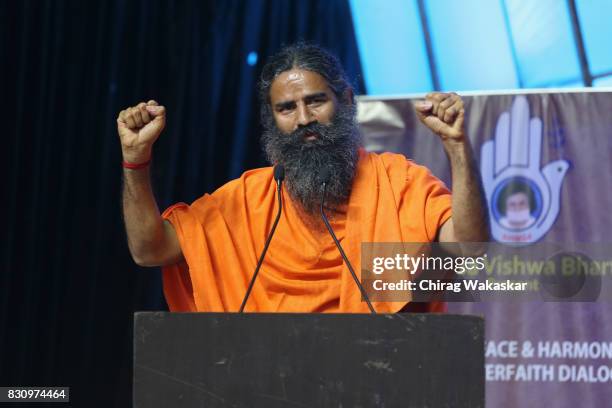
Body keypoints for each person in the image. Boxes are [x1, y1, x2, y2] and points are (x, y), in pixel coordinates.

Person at [117, 43, 489, 313]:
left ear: (344, 99)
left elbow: (469, 249)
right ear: (272, 118)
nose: (304, 119)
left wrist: (456, 145)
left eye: (315, 101)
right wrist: (136, 162)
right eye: (286, 108)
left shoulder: (398, 183)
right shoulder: (246, 200)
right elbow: (149, 250)